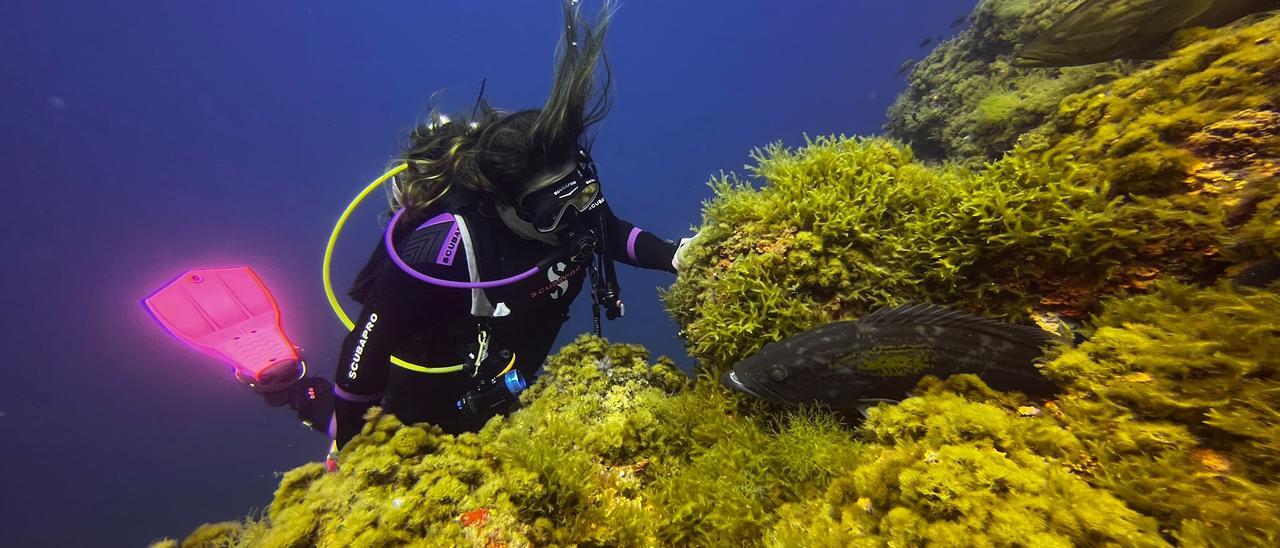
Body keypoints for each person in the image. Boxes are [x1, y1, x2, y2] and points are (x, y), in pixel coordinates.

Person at [325, 0, 687, 449]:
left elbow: (609, 233)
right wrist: (349, 451)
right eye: (552, 210)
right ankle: (290, 383)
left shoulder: (576, 213)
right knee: (400, 435)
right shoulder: (445, 248)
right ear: (500, 204)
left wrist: (677, 255)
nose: (573, 219)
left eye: (583, 192)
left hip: (505, 379)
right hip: (429, 393)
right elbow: (365, 351)